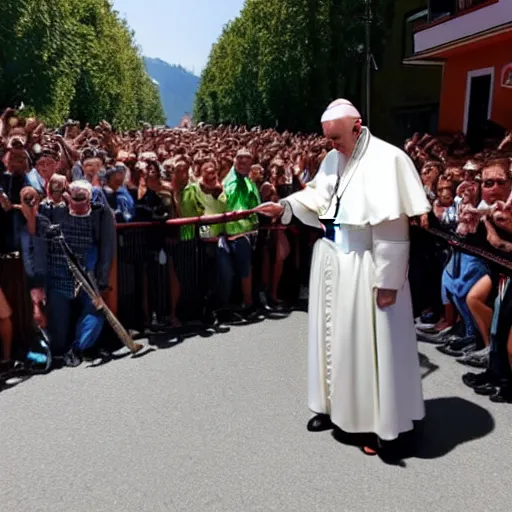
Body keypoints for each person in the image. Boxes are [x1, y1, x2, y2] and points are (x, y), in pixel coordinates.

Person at [257, 99, 431, 455]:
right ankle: (332, 408)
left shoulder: (388, 160)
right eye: (328, 139)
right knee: (331, 341)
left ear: (357, 125)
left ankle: (379, 425)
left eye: (336, 137)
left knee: (368, 346)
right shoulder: (334, 157)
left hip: (366, 264)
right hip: (333, 260)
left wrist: (389, 280)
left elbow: (393, 227)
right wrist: (285, 207)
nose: (330, 145)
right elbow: (318, 196)